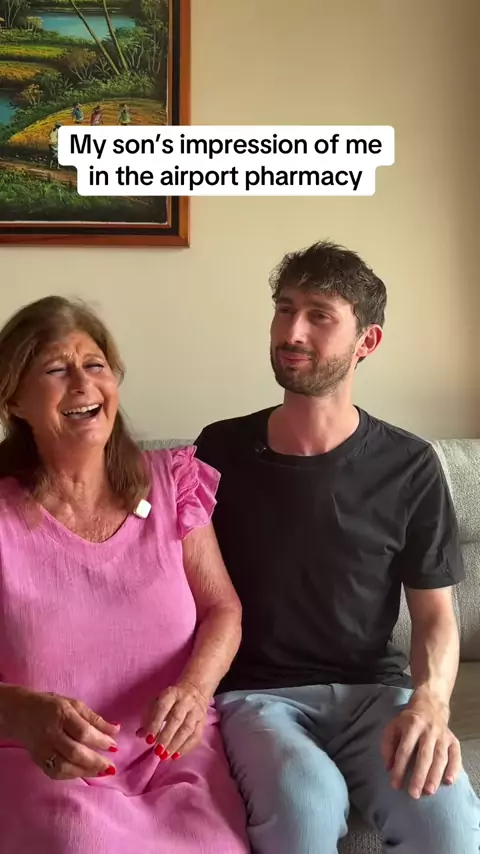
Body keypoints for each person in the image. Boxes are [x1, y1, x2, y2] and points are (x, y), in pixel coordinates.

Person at [194, 240, 480, 854]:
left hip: (376, 694)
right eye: (284, 308)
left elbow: (436, 617)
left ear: (366, 342)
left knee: (449, 828)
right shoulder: (217, 452)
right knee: (305, 806)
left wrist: (431, 703)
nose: (291, 331)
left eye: (319, 315)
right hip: (257, 697)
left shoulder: (410, 466)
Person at [0, 296, 249, 854]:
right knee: (79, 843)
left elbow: (222, 609)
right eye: (57, 370)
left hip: (172, 756)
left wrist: (195, 690)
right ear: (14, 399)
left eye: (95, 365)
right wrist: (16, 712)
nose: (83, 384)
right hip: (48, 762)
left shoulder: (172, 482)